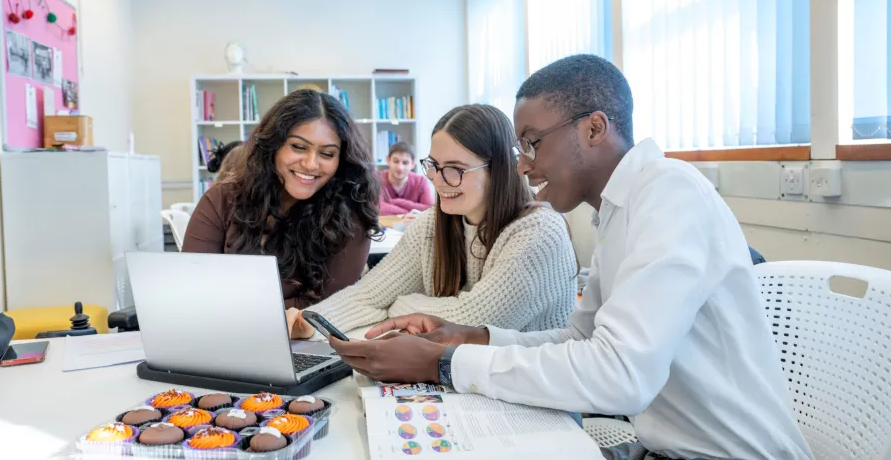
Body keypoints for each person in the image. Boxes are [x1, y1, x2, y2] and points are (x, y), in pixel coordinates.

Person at [329, 55, 813, 460]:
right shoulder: (616, 212)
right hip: (660, 448)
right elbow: (580, 338)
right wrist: (470, 336)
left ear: (594, 128)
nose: (522, 164)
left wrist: (444, 363)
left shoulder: (670, 193)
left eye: (532, 142)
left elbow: (620, 375)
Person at [286, 104, 578, 338]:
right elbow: (369, 295)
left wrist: (400, 305)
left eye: (455, 169)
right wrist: (310, 322)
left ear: (499, 169)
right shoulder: (433, 224)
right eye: (434, 166)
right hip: (472, 383)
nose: (438, 181)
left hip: (534, 400)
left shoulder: (539, 232)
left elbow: (472, 321)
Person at [183, 89, 382, 309]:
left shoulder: (351, 213)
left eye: (327, 153)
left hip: (311, 341)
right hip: (222, 335)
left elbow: (329, 304)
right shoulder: (222, 198)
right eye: (298, 147)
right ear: (274, 145)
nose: (310, 164)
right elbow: (194, 290)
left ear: (341, 159)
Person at [379, 141, 434, 216]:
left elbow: (429, 209)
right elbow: (378, 208)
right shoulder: (377, 179)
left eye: (405, 163)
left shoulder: (420, 181)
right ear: (388, 160)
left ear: (413, 163)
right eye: (396, 161)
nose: (400, 167)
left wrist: (397, 202)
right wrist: (412, 213)